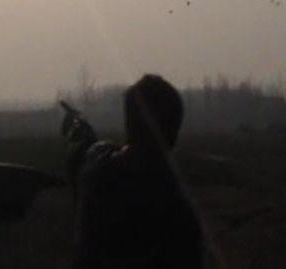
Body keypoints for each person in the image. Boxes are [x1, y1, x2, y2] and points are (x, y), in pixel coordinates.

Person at [62, 74, 205, 269]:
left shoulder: (97, 174)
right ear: (173, 134)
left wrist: (79, 132)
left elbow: (85, 155)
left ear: (128, 123)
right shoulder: (179, 209)